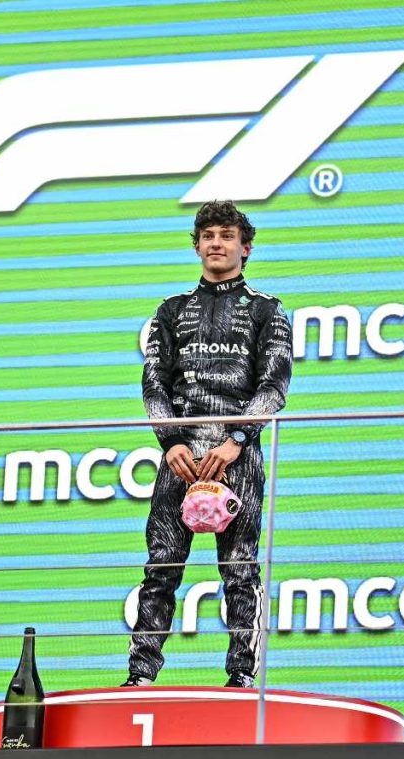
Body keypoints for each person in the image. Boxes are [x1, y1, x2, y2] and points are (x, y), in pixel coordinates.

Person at [125, 201, 292, 688]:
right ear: (196, 245)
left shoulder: (267, 310)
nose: (216, 243)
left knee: (240, 572)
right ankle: (140, 677)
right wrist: (171, 441)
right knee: (161, 568)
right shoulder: (170, 311)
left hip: (237, 457)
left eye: (226, 235)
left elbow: (274, 387)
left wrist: (238, 439)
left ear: (246, 247)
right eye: (208, 235)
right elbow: (154, 384)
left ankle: (242, 676)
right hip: (178, 461)